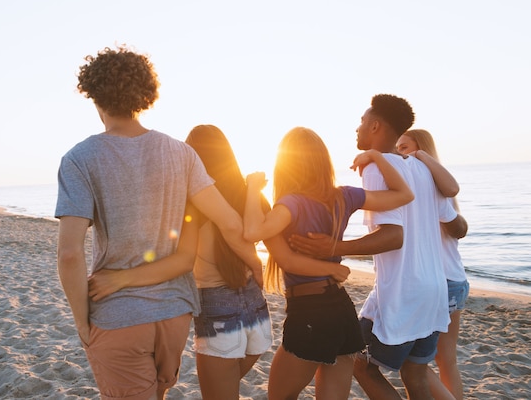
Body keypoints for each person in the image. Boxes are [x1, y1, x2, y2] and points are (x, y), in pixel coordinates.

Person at [55, 45, 262, 400]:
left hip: (118, 314)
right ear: (144, 95)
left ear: (93, 96)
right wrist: (257, 264)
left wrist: (80, 319)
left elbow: (70, 254)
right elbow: (229, 221)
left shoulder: (80, 158)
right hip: (175, 314)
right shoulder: (181, 153)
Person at [289, 94, 467, 400]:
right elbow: (453, 214)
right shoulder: (424, 170)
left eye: (361, 122)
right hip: (434, 292)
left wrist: (334, 246)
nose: (356, 128)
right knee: (415, 373)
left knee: (360, 365)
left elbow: (392, 237)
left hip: (403, 294)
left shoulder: (374, 168)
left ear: (374, 126)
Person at [243, 126, 414, 400]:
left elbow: (252, 232)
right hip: (342, 309)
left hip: (310, 311)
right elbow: (404, 194)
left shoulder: (291, 204)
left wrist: (252, 189)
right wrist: (378, 156)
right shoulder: (343, 196)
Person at [182, 124, 272, 400]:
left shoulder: (193, 200)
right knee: (226, 388)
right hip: (256, 306)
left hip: (216, 306)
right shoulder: (249, 194)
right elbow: (274, 238)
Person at [397, 129, 469, 400]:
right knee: (444, 360)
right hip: (453, 280)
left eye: (405, 148)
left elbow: (456, 226)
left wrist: (418, 156)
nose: (400, 153)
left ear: (423, 151)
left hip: (443, 282)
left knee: (415, 361)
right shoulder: (428, 185)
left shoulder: (430, 186)